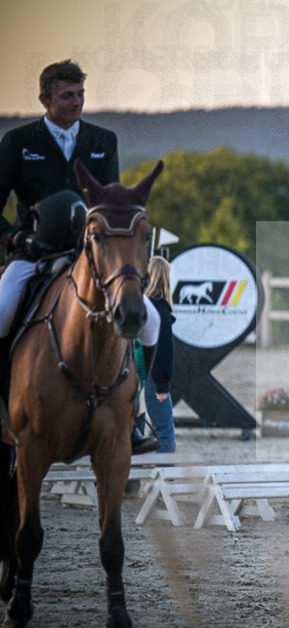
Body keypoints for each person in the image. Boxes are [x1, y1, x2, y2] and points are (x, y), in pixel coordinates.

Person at [0, 59, 159, 454]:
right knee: (1, 309)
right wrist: (16, 237)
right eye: (67, 96)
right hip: (33, 254)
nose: (76, 102)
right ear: (45, 99)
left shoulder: (103, 140)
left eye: (80, 94)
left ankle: (132, 413)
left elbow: (114, 201)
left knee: (151, 322)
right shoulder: (18, 142)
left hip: (91, 258)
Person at [143, 256, 176, 453]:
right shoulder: (160, 307)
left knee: (138, 430)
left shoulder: (142, 303)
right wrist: (162, 383)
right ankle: (165, 480)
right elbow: (162, 350)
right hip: (153, 378)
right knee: (165, 434)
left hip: (136, 373)